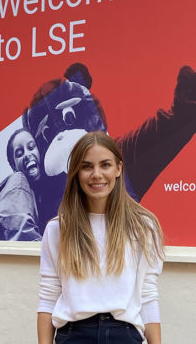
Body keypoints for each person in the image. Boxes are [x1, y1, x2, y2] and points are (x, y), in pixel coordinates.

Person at [37, 131, 165, 344]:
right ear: (76, 172)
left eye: (105, 165)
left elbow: (148, 294)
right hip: (73, 335)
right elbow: (48, 297)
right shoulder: (58, 229)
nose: (96, 174)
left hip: (124, 334)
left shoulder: (142, 226)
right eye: (87, 166)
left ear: (118, 169)